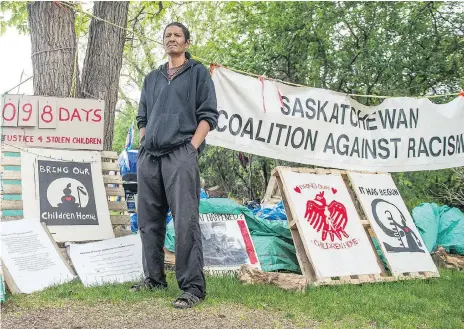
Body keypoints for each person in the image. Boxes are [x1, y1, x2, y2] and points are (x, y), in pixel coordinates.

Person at [132, 22, 218, 309]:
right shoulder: (152, 78)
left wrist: (191, 147)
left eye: (177, 35)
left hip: (180, 155)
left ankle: (192, 288)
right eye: (167, 35)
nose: (171, 39)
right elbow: (142, 116)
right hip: (150, 158)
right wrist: (144, 142)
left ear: (187, 42)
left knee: (185, 221)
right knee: (148, 221)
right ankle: (153, 278)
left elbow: (208, 115)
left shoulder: (198, 75)